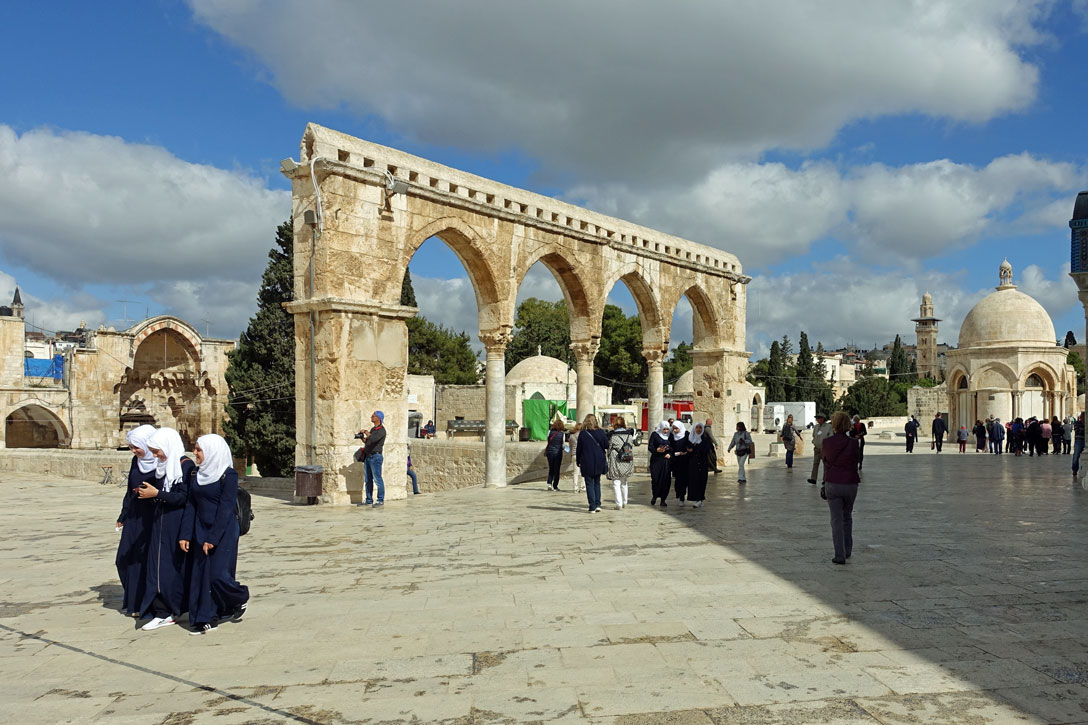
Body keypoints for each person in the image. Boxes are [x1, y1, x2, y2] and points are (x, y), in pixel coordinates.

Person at [179, 434, 250, 635]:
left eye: (199, 450)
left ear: (212, 452)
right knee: (200, 575)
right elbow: (191, 505)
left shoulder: (228, 475)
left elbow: (226, 509)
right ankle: (205, 617)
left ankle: (239, 596)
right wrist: (185, 534)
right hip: (200, 528)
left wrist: (213, 538)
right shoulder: (195, 474)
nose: (195, 453)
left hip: (224, 530)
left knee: (218, 575)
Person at [136, 427, 194, 631]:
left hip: (175, 525)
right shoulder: (163, 466)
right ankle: (160, 609)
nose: (155, 455)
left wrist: (157, 494)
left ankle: (168, 610)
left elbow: (183, 498)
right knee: (156, 568)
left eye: (157, 450)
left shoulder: (185, 467)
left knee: (169, 569)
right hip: (160, 524)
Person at [116, 425, 160, 618]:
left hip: (151, 516)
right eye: (132, 447)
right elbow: (129, 490)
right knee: (124, 559)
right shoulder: (137, 461)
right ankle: (132, 599)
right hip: (134, 514)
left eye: (136, 447)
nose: (134, 451)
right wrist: (123, 515)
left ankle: (143, 603)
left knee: (143, 560)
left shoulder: (161, 463)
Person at [822, 411, 860, 565]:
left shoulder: (827, 442)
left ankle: (839, 554)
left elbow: (825, 463)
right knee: (847, 516)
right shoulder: (853, 443)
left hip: (833, 482)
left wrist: (824, 483)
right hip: (850, 483)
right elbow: (856, 461)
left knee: (836, 520)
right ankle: (848, 549)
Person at [575, 414, 608, 513]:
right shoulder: (601, 432)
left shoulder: (583, 434)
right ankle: (598, 504)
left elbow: (579, 449)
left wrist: (578, 461)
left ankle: (592, 506)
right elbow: (606, 445)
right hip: (599, 461)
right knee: (597, 483)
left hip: (587, 461)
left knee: (589, 484)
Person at [606, 417, 635, 509]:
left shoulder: (613, 435)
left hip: (616, 459)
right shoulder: (629, 435)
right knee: (624, 481)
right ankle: (625, 501)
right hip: (627, 458)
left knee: (616, 481)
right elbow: (630, 447)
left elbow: (609, 448)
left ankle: (618, 503)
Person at [358, 411, 386, 506]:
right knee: (368, 479)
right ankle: (368, 499)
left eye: (373, 416)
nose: (371, 417)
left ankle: (380, 499)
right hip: (368, 456)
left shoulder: (381, 430)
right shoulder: (373, 429)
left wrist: (366, 432)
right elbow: (369, 441)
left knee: (377, 479)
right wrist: (363, 438)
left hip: (376, 457)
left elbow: (373, 439)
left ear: (378, 418)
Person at [685, 421, 710, 507]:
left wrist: (696, 447)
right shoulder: (690, 439)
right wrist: (689, 450)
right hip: (693, 464)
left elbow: (706, 450)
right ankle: (697, 499)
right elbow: (688, 450)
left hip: (702, 464)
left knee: (701, 481)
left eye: (700, 428)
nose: (698, 429)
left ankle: (700, 498)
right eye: (697, 427)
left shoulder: (705, 439)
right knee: (693, 481)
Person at [649, 420, 671, 506]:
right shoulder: (655, 435)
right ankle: (654, 496)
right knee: (655, 479)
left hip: (666, 461)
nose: (665, 431)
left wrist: (670, 454)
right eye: (664, 429)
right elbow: (650, 446)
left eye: (667, 429)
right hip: (656, 460)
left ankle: (663, 499)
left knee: (665, 480)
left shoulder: (670, 436)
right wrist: (656, 450)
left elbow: (673, 447)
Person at [668, 420, 690, 504]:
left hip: (686, 460)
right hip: (676, 461)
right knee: (678, 480)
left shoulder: (686, 434)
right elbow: (671, 448)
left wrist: (686, 452)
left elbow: (690, 445)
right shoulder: (672, 437)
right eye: (673, 429)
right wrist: (677, 453)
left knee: (686, 479)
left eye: (676, 429)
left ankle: (685, 495)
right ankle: (681, 496)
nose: (675, 431)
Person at [808, 412, 832, 484]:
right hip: (817, 448)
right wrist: (814, 442)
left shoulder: (828, 427)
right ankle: (813, 478)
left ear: (823, 419)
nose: (817, 420)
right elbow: (814, 436)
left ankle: (825, 479)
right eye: (817, 418)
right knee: (815, 463)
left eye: (818, 418)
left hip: (825, 448)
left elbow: (831, 437)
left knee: (826, 464)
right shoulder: (816, 427)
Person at [544, 418, 566, 491]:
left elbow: (548, 441)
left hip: (550, 452)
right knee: (557, 469)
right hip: (558, 453)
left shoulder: (549, 432)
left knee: (551, 468)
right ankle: (555, 486)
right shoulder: (562, 434)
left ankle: (549, 483)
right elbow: (562, 444)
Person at [568, 423, 584, 493]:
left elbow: (570, 446)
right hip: (582, 455)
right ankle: (583, 486)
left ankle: (575, 487)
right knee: (583, 471)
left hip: (574, 454)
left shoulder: (572, 436)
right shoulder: (584, 436)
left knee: (575, 472)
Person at [1072, 413, 1085, 479]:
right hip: (1079, 441)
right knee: (1076, 456)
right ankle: (1074, 470)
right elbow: (1078, 431)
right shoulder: (1077, 423)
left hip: (1085, 441)